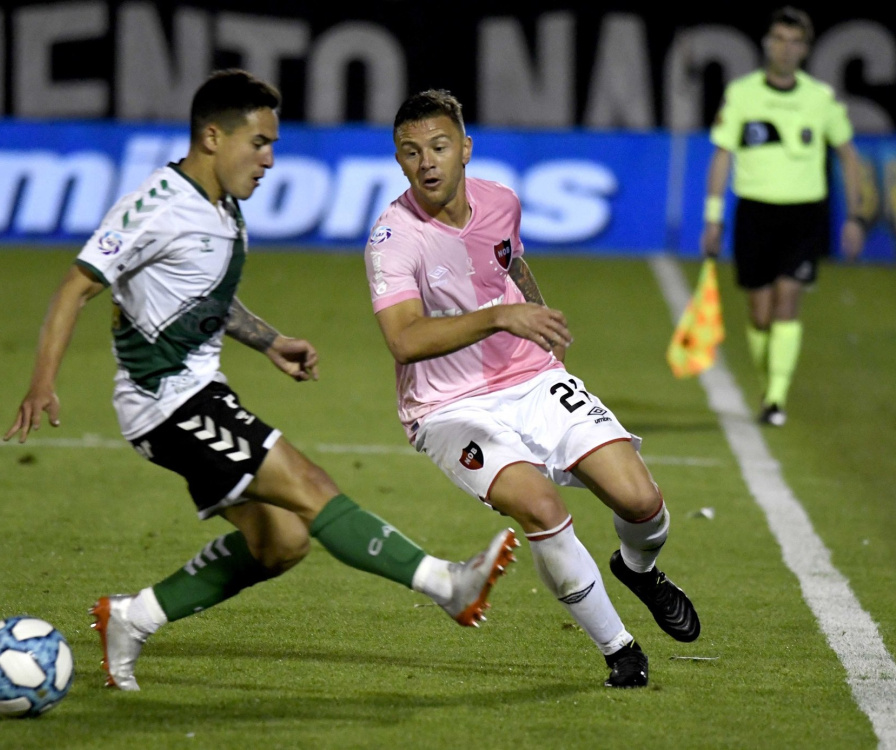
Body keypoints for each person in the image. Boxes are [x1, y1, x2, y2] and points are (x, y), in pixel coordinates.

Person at [4, 69, 519, 692]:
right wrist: (42, 383)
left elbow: (205, 298)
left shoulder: (220, 206)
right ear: (214, 137)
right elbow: (76, 285)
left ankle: (132, 617)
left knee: (283, 540)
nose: (270, 160)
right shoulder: (155, 207)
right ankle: (446, 583)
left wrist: (269, 340)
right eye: (260, 143)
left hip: (200, 394)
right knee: (309, 484)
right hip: (163, 403)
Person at [363, 89, 700, 689]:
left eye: (439, 147)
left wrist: (538, 319)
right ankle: (619, 649)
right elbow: (404, 340)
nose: (427, 163)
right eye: (410, 152)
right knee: (542, 507)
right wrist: (498, 317)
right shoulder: (393, 238)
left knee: (642, 502)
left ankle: (640, 570)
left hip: (533, 378)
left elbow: (510, 261)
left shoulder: (501, 201)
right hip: (448, 408)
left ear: (464, 148)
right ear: (398, 160)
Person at [700, 6, 865, 427]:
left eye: (794, 42)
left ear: (806, 49)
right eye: (778, 39)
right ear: (767, 44)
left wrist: (855, 215)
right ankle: (767, 384)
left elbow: (848, 156)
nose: (785, 48)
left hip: (805, 216)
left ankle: (775, 398)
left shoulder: (820, 99)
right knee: (759, 313)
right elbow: (723, 155)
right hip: (755, 213)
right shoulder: (743, 94)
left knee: (788, 300)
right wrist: (713, 217)